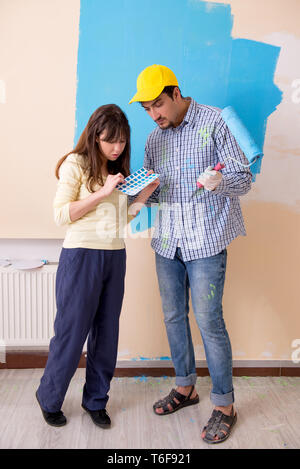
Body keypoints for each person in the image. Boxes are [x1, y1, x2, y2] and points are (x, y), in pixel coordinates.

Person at [129, 65, 252, 444]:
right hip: (168, 241)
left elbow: (244, 179)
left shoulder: (215, 122)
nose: (154, 115)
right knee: (172, 316)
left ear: (176, 93)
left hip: (206, 241)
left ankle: (224, 405)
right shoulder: (154, 139)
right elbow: (158, 192)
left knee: (208, 321)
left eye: (159, 105)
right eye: (148, 109)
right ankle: (185, 387)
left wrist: (221, 181)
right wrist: (138, 193)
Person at [36, 104, 159, 428]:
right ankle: (49, 398)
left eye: (121, 141)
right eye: (109, 141)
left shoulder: (118, 168)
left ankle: (95, 401)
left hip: (114, 255)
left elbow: (120, 219)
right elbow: (62, 215)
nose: (116, 147)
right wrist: (103, 192)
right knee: (71, 332)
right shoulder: (75, 164)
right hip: (81, 257)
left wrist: (142, 197)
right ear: (95, 136)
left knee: (106, 334)